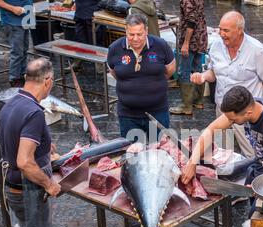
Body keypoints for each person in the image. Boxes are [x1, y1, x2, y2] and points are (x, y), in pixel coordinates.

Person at [0, 58, 76, 227]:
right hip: (28, 189)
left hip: (12, 187)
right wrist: (49, 183)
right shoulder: (34, 113)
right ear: (48, 81)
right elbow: (24, 161)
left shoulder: (11, 104)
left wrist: (47, 148)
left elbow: (15, 140)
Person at [182, 85, 263, 217]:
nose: (230, 122)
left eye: (233, 120)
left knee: (256, 224)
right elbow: (210, 130)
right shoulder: (250, 106)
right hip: (259, 168)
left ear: (248, 112)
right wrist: (192, 162)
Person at [190, 11, 263, 158]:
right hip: (222, 108)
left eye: (226, 30)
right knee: (221, 153)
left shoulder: (256, 51)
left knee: (252, 154)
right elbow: (215, 73)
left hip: (245, 112)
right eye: (220, 29)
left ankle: (252, 179)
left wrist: (251, 96)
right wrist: (203, 77)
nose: (221, 34)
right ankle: (227, 178)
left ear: (239, 30)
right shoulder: (216, 46)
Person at [107, 13, 175, 141]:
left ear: (146, 31)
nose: (136, 38)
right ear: (125, 31)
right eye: (131, 34)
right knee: (132, 155)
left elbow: (170, 70)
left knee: (159, 153)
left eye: (139, 34)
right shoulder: (115, 49)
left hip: (158, 112)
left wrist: (153, 83)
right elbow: (114, 72)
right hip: (128, 115)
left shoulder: (161, 46)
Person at [169, 0, 207, 116]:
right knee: (197, 68)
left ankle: (186, 106)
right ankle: (198, 101)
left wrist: (186, 43)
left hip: (192, 39)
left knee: (184, 71)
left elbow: (191, 22)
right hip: (201, 36)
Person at [0, 0, 34, 87]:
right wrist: (13, 8)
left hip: (26, 18)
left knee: (24, 50)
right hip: (12, 20)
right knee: (17, 52)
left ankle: (22, 75)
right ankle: (14, 79)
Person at [68, 0, 105, 72]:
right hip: (80, 12)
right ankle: (78, 61)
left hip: (94, 12)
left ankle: (100, 63)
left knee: (96, 40)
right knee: (79, 39)